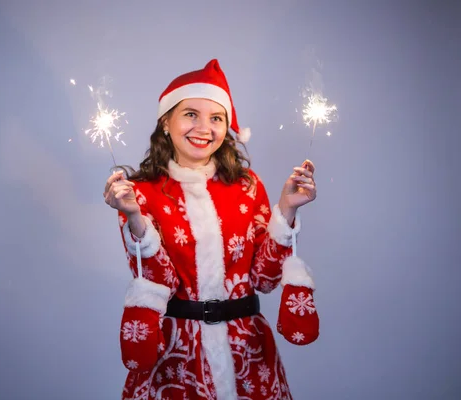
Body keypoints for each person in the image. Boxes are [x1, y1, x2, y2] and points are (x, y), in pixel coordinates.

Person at [103, 59, 319, 400]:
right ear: (166, 122)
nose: (204, 128)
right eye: (191, 114)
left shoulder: (248, 186)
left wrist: (287, 210)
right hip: (177, 358)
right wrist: (135, 218)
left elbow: (265, 279)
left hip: (247, 353)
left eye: (216, 118)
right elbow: (160, 283)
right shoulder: (139, 193)